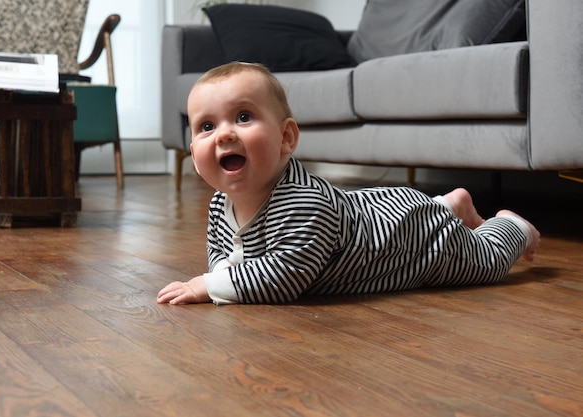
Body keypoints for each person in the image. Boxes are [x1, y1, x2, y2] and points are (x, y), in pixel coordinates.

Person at [156, 62, 540, 305]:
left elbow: (285, 277)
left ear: (286, 138)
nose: (223, 135)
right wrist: (218, 275)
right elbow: (225, 257)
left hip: (414, 242)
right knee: (385, 208)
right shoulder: (221, 205)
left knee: (485, 263)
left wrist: (209, 286)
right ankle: (449, 205)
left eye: (243, 117)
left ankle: (511, 226)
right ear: (193, 152)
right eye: (207, 126)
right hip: (379, 211)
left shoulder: (305, 204)